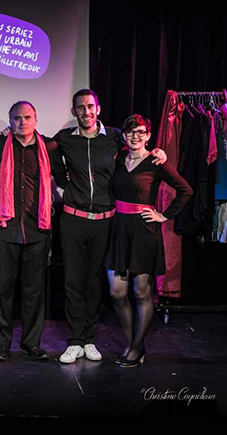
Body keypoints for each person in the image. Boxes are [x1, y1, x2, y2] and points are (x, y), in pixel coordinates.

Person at [53, 89, 167, 364]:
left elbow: (138, 146)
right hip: (73, 219)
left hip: (105, 221)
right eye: (80, 107)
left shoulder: (115, 137)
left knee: (95, 282)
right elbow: (43, 150)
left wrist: (158, 151)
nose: (86, 111)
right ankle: (74, 341)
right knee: (73, 281)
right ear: (74, 112)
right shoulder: (64, 138)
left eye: (90, 106)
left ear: (98, 109)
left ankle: (89, 339)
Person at [0, 101, 65, 362]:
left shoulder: (49, 147)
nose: (22, 122)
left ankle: (31, 343)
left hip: (37, 228)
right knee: (3, 290)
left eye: (27, 117)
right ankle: (2, 345)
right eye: (17, 118)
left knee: (34, 291)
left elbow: (64, 177)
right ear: (10, 121)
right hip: (5, 228)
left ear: (36, 120)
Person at [104, 114, 191, 367]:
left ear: (148, 136)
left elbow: (185, 190)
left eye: (140, 132)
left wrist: (164, 215)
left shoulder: (155, 161)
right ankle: (134, 343)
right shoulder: (118, 159)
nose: (135, 136)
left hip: (144, 232)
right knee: (117, 292)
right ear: (124, 135)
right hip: (119, 229)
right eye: (131, 132)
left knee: (142, 292)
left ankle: (135, 347)